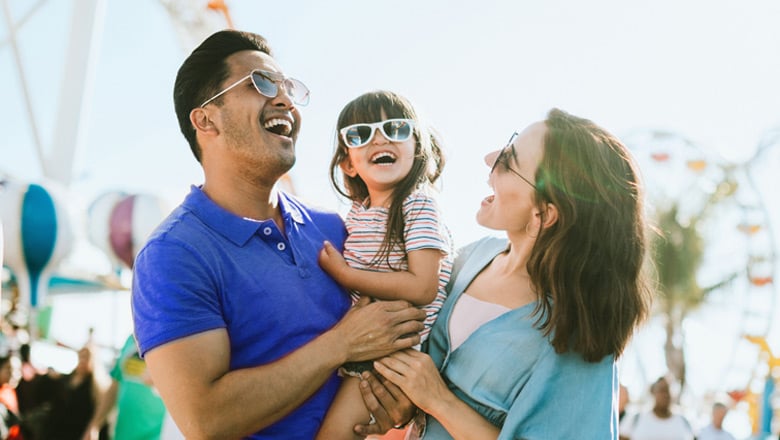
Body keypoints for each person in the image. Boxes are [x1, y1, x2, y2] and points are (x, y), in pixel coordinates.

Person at [131, 29, 424, 439]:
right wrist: (342, 344)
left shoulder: (335, 229)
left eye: (287, 87)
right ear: (205, 119)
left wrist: (389, 402)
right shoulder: (173, 255)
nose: (285, 100)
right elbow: (206, 420)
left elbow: (382, 350)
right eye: (261, 83)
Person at [355, 109, 653, 439]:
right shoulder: (468, 258)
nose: (489, 159)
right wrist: (402, 404)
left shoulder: (579, 333)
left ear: (545, 213)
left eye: (509, 161)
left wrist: (439, 400)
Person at [315, 91, 452, 440]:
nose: (379, 137)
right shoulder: (358, 214)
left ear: (418, 147)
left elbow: (423, 286)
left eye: (396, 128)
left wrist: (346, 274)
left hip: (391, 355)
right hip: (365, 348)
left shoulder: (418, 204)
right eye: (360, 134)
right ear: (348, 163)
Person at [83, 334, 166, 440]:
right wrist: (95, 424)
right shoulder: (129, 340)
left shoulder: (170, 335)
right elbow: (114, 388)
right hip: (122, 434)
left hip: (156, 435)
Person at [44, 343, 110, 440]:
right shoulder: (67, 379)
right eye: (81, 356)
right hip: (58, 432)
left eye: (86, 357)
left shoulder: (96, 387)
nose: (82, 360)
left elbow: (101, 418)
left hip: (79, 433)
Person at [619, 377, 694, 440]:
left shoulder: (684, 421)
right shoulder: (636, 418)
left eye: (668, 390)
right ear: (653, 392)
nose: (665, 395)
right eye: (661, 390)